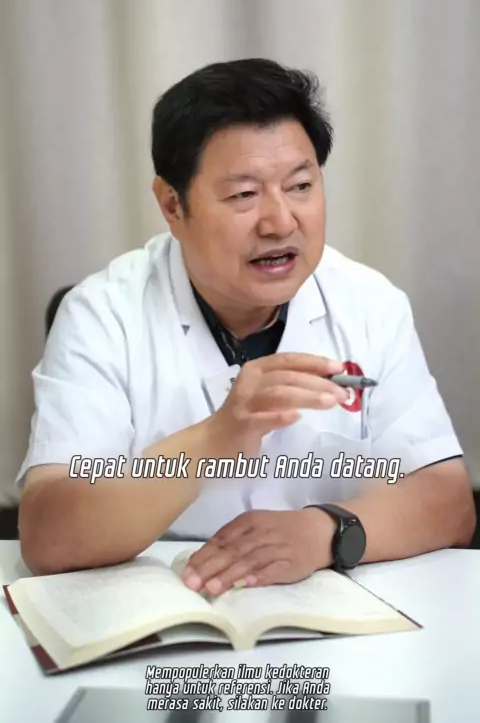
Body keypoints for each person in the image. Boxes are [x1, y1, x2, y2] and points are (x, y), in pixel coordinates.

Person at [17, 58, 475, 593]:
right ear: (172, 205)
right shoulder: (102, 314)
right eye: (243, 195)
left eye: (300, 186)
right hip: (165, 605)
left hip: (330, 603)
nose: (280, 222)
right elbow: (49, 534)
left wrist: (324, 532)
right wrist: (217, 437)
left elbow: (447, 499)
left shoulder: (371, 304)